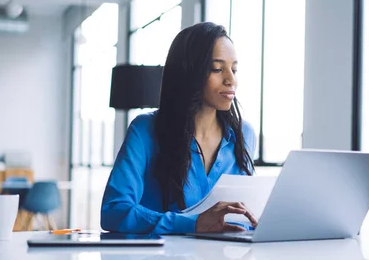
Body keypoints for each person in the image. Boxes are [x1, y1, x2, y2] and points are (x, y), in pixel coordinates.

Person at [101, 22, 258, 235]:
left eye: (234, 69)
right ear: (189, 72)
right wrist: (192, 224)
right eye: (217, 69)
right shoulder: (145, 130)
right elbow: (114, 211)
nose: (231, 79)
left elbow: (243, 214)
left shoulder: (244, 135)